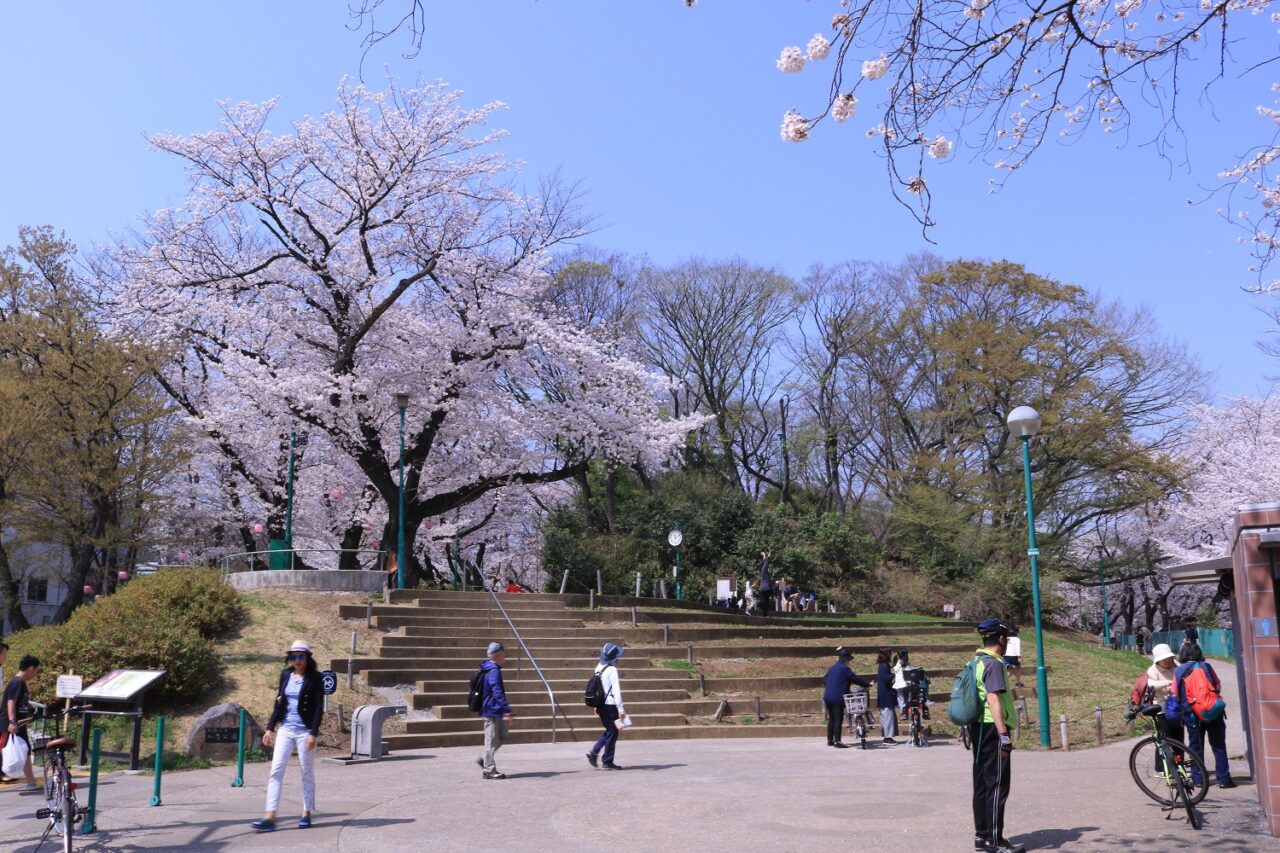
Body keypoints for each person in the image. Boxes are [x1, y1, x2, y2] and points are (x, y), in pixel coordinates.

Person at [252, 641, 323, 832]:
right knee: (275, 770)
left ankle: (306, 813)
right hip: (286, 728)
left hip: (304, 731)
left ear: (308, 658)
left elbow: (318, 707)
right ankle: (270, 815)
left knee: (306, 772)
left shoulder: (315, 678)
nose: (297, 660)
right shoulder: (285, 675)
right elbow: (279, 702)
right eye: (293, 656)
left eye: (301, 656)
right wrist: (269, 728)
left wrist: (313, 733)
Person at [967, 619, 1024, 853]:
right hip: (993, 729)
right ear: (1001, 639)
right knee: (997, 785)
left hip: (978, 728)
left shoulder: (975, 661)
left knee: (981, 784)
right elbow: (993, 698)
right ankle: (995, 841)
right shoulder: (994, 664)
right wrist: (1004, 735)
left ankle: (981, 837)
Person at [1173, 643, 1235, 788]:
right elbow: (1217, 686)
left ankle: (1198, 779)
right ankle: (1224, 779)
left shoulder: (1178, 671)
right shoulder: (1206, 667)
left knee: (1195, 746)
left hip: (1191, 714)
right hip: (1212, 711)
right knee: (1218, 745)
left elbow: (1175, 693)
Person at [586, 643, 627, 770]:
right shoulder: (612, 670)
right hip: (610, 705)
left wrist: (597, 706)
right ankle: (607, 761)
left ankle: (595, 752)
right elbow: (616, 691)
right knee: (612, 732)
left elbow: (598, 689)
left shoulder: (598, 667)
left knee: (610, 730)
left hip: (602, 704)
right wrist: (621, 709)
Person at [477, 641, 514, 779]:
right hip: (491, 710)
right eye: (504, 653)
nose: (505, 655)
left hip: (496, 710)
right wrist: (507, 710)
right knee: (491, 740)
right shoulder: (493, 671)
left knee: (503, 735)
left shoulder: (492, 669)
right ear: (498, 654)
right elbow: (497, 691)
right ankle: (489, 770)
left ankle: (484, 758)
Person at [3, 655, 39, 792]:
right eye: (36, 670)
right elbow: (10, 702)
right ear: (31, 668)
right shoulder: (17, 682)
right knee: (11, 750)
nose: (35, 674)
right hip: (10, 724)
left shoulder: (19, 682)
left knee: (25, 750)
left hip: (18, 723)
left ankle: (31, 781)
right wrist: (12, 721)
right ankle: (30, 781)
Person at [823, 647, 872, 748]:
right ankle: (837, 741)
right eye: (849, 660)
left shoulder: (832, 668)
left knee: (832, 718)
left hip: (827, 697)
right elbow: (855, 679)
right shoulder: (845, 669)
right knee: (838, 719)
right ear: (846, 660)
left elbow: (825, 680)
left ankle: (830, 740)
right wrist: (867, 684)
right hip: (837, 698)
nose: (849, 662)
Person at [1144, 644, 1183, 749]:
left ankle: (1179, 764)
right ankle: (1161, 765)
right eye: (1164, 659)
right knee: (1164, 742)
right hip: (1162, 711)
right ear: (1158, 660)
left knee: (1179, 741)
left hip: (1176, 709)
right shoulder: (1152, 670)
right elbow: (1151, 684)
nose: (1167, 661)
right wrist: (1169, 683)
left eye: (1169, 658)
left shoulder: (1176, 666)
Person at [875, 648, 899, 745]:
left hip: (884, 695)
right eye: (890, 653)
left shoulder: (883, 665)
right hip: (886, 696)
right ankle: (887, 738)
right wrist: (895, 675)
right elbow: (886, 678)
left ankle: (887, 736)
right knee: (888, 717)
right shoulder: (884, 666)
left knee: (886, 716)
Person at [893, 648, 910, 719]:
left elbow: (895, 669)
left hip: (899, 684)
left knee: (900, 697)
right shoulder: (907, 663)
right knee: (907, 697)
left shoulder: (898, 663)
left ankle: (903, 711)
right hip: (907, 683)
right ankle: (907, 710)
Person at [757, 550, 774, 618]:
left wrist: (764, 557)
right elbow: (766, 562)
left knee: (766, 601)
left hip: (765, 588)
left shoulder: (763, 570)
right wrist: (768, 555)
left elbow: (764, 562)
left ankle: (765, 614)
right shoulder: (764, 570)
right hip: (765, 588)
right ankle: (764, 614)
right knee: (766, 601)